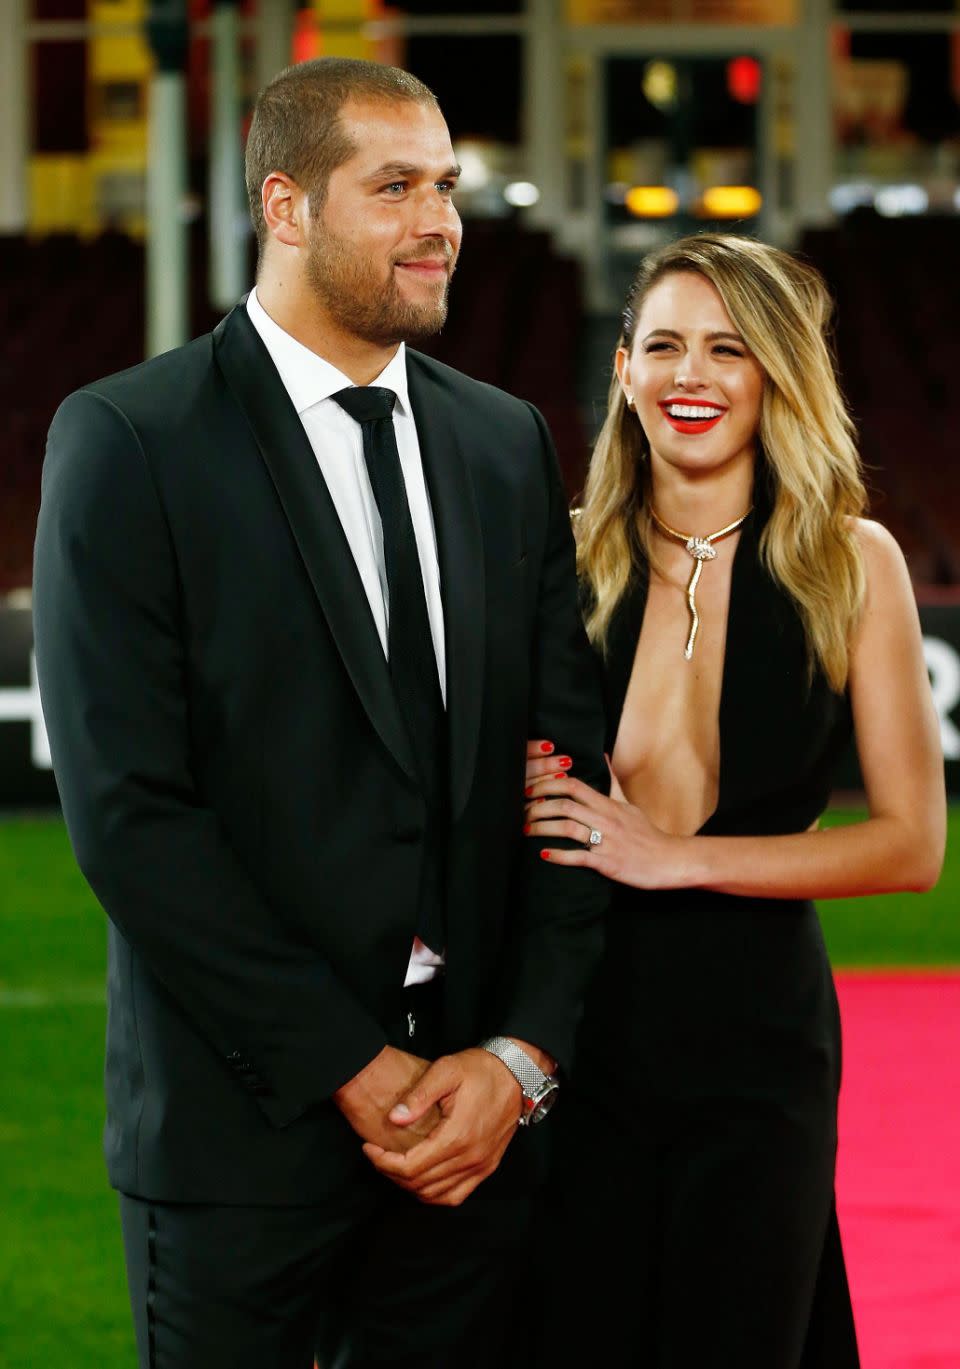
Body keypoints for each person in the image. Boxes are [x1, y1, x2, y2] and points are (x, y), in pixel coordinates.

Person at [32, 57, 609, 1369]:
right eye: (395, 185)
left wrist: (517, 1059)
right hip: (242, 1136)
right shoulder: (130, 439)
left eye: (449, 186)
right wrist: (353, 1065)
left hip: (474, 1142)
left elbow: (573, 780)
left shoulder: (504, 442)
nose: (441, 221)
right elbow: (130, 816)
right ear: (284, 206)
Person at [522, 232, 946, 1368]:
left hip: (762, 1049)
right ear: (621, 371)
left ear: (777, 375)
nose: (690, 376)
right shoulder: (556, 564)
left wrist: (676, 857)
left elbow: (911, 847)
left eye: (728, 349)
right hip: (581, 1041)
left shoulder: (852, 565)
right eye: (661, 345)